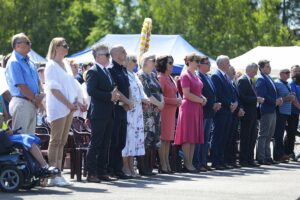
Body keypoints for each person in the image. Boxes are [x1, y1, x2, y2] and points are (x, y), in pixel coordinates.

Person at [45, 37, 82, 186]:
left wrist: (77, 102)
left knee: (62, 141)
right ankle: (52, 175)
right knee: (55, 141)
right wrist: (68, 104)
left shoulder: (66, 64)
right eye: (63, 45)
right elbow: (53, 89)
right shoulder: (51, 65)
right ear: (55, 47)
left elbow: (71, 86)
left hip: (69, 107)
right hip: (58, 106)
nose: (67, 47)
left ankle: (58, 173)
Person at [85, 44, 120, 183]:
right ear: (98, 56)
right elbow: (91, 91)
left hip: (109, 112)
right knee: (96, 143)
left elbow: (111, 89)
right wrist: (109, 96)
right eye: (106, 55)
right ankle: (91, 173)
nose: (109, 57)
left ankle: (101, 171)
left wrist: (114, 95)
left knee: (106, 143)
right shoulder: (93, 71)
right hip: (99, 113)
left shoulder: (106, 71)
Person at [5, 33, 44, 134]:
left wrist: (40, 96)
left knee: (30, 139)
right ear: (17, 45)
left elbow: (37, 82)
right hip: (22, 103)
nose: (30, 44)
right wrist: (36, 99)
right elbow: (22, 86)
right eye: (27, 42)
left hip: (31, 103)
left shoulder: (30, 62)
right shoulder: (14, 62)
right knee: (21, 139)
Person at [174, 53, 206, 173]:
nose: (198, 63)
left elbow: (197, 91)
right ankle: (187, 163)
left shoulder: (195, 75)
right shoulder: (185, 75)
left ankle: (190, 162)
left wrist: (203, 98)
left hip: (196, 107)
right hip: (188, 107)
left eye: (198, 61)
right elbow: (186, 94)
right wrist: (201, 100)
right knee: (187, 137)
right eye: (196, 61)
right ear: (189, 61)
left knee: (193, 137)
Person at [108, 45, 133, 179]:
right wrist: (127, 102)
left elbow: (127, 87)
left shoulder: (123, 69)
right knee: (114, 139)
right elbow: (115, 90)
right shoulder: (111, 69)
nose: (125, 53)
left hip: (124, 108)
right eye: (123, 52)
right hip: (115, 108)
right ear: (117, 54)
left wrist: (129, 101)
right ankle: (111, 169)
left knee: (122, 141)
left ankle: (118, 169)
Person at [137, 52, 164, 176]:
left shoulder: (153, 75)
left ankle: (150, 167)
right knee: (146, 139)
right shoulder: (141, 76)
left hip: (157, 112)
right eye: (153, 60)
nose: (154, 62)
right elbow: (147, 94)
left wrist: (161, 103)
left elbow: (160, 91)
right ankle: (143, 168)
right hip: (147, 112)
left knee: (154, 139)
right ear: (145, 61)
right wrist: (159, 104)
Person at [122, 55, 149, 177]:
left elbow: (141, 91)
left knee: (134, 138)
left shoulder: (134, 75)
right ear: (127, 61)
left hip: (137, 110)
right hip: (129, 109)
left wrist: (145, 100)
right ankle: (125, 166)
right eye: (134, 60)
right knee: (127, 137)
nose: (135, 63)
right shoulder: (124, 74)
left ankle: (132, 167)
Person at [211, 55, 238, 170]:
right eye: (227, 62)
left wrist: (234, 103)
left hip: (228, 111)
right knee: (218, 136)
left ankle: (221, 160)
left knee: (224, 137)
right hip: (221, 111)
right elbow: (219, 94)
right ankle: (216, 161)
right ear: (221, 64)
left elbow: (231, 93)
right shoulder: (216, 76)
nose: (229, 65)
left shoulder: (225, 77)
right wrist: (229, 104)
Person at [194, 56, 220, 171]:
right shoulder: (198, 76)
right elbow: (201, 94)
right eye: (207, 63)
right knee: (200, 139)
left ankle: (204, 162)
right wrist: (211, 104)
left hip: (209, 112)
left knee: (206, 139)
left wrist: (216, 103)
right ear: (199, 65)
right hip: (203, 111)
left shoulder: (207, 77)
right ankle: (198, 162)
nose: (209, 65)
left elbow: (212, 93)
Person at [156, 55, 181, 173]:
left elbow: (175, 93)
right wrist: (174, 101)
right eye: (170, 63)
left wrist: (178, 100)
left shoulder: (169, 77)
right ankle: (163, 165)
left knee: (168, 139)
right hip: (165, 111)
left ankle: (166, 163)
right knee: (163, 139)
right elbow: (160, 97)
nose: (172, 65)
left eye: (172, 62)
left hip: (171, 111)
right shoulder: (161, 78)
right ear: (163, 64)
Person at [255, 60, 283, 165]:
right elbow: (262, 95)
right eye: (267, 66)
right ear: (261, 68)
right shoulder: (261, 79)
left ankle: (267, 156)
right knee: (264, 134)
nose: (269, 68)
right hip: (266, 109)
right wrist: (274, 101)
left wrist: (279, 99)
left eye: (269, 66)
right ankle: (261, 157)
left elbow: (274, 92)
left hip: (273, 109)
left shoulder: (269, 78)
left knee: (270, 135)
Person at [238, 63, 263, 167]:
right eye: (255, 70)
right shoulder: (243, 80)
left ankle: (249, 159)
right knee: (246, 137)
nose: (256, 73)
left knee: (252, 137)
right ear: (249, 69)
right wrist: (256, 99)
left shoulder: (249, 80)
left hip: (253, 113)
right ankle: (244, 159)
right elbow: (242, 97)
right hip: (247, 113)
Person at [273, 69, 295, 162]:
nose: (288, 74)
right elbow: (276, 97)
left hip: (286, 112)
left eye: (289, 73)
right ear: (281, 74)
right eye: (286, 73)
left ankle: (281, 154)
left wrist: (290, 95)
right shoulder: (277, 83)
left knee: (281, 134)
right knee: (278, 134)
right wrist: (288, 98)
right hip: (280, 111)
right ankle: (278, 155)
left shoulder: (286, 83)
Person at [225, 66, 244, 168]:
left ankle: (232, 160)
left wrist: (239, 108)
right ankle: (228, 160)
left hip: (235, 113)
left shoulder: (233, 83)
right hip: (229, 112)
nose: (234, 73)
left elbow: (237, 98)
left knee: (233, 138)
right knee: (228, 138)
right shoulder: (228, 82)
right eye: (232, 71)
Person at [285, 65, 300, 161]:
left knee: (292, 133)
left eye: (299, 71)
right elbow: (293, 100)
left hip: (296, 112)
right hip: (290, 112)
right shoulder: (291, 83)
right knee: (291, 133)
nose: (297, 72)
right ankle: (289, 153)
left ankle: (289, 152)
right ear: (291, 72)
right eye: (295, 71)